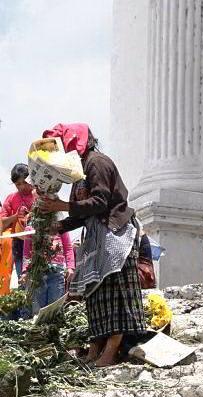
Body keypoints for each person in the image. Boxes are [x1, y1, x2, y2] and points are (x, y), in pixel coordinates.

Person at [38, 123, 147, 367]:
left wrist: (62, 206)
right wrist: (57, 227)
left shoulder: (96, 163)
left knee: (115, 293)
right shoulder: (78, 173)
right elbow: (81, 214)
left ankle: (111, 350)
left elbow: (100, 202)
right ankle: (96, 347)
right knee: (96, 294)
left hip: (115, 233)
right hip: (98, 236)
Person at [21, 229, 75, 314]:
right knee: (38, 310)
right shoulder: (30, 228)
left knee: (55, 309)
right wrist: (25, 271)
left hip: (56, 271)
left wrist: (70, 267)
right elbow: (26, 253)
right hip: (37, 273)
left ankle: (55, 322)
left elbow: (68, 247)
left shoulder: (60, 225)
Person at [0, 164, 36, 278]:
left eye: (24, 182)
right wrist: (15, 216)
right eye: (18, 184)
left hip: (38, 242)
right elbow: (2, 224)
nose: (22, 187)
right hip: (19, 245)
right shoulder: (11, 198)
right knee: (23, 279)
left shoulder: (38, 194)